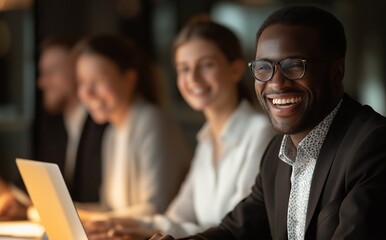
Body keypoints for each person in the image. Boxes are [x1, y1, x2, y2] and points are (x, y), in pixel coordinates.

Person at [151, 5, 386, 240]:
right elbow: (236, 232)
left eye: (294, 65)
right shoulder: (278, 154)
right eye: (264, 68)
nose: (276, 83)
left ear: (337, 71)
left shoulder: (378, 146)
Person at [83, 17, 276, 239]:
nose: (193, 78)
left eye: (207, 65)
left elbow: (235, 232)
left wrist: (140, 228)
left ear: (235, 69)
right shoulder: (206, 140)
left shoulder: (260, 132)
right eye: (184, 68)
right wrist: (118, 224)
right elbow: (177, 217)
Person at [75, 34, 191, 218]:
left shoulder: (151, 121)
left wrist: (91, 218)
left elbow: (157, 208)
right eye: (82, 82)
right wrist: (72, 211)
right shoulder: (112, 132)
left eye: (97, 80)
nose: (87, 92)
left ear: (129, 79)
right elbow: (110, 209)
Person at [0, 37, 106, 220]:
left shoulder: (103, 125)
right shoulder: (55, 128)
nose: (42, 82)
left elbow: (94, 201)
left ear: (78, 71)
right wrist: (12, 197)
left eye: (52, 71)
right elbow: (42, 188)